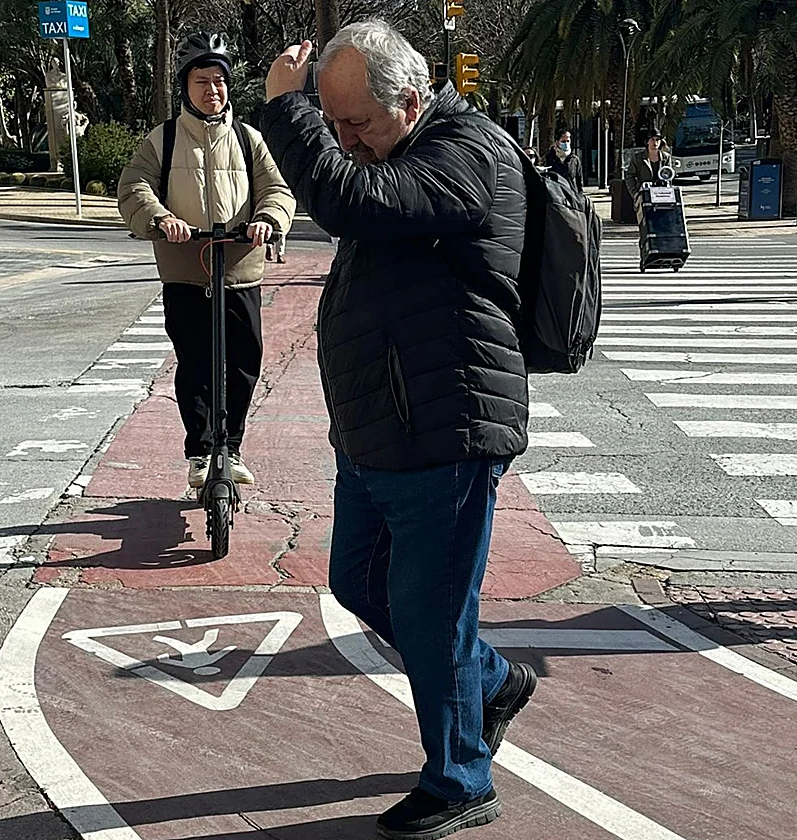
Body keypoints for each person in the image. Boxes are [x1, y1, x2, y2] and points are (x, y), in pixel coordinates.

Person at [261, 19, 537, 839]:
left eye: (357, 123)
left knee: (430, 611)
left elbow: (349, 203)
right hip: (381, 428)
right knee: (359, 582)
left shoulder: (466, 152)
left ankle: (459, 779)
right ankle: (491, 681)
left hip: (442, 426)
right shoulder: (403, 151)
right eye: (333, 123)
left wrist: (290, 113)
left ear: (411, 101)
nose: (344, 141)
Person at [118, 32, 296, 490]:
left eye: (219, 81)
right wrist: (161, 218)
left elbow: (277, 189)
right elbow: (134, 187)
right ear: (185, 86)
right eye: (202, 81)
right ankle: (200, 453)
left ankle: (231, 447)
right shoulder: (163, 139)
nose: (212, 90)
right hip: (185, 271)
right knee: (195, 363)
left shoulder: (249, 139)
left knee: (244, 361)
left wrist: (267, 219)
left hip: (240, 270)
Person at [624, 128, 669, 198]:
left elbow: (669, 176)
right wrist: (635, 193)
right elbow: (630, 176)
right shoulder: (637, 158)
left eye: (657, 140)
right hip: (643, 193)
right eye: (652, 139)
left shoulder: (666, 157)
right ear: (647, 141)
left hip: (662, 194)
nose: (655, 142)